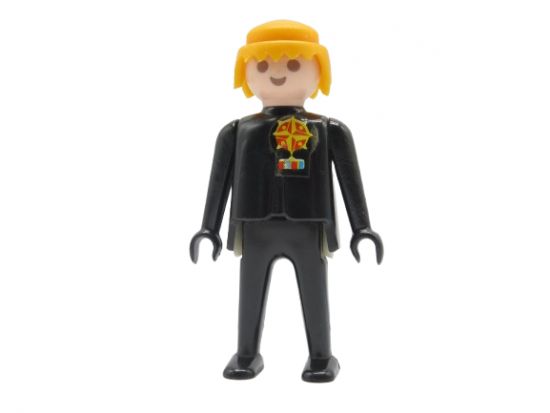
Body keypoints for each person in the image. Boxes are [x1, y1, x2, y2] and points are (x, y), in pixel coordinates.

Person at [190, 20, 383, 383]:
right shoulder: (236, 131)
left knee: (314, 289)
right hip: (255, 225)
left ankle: (321, 356)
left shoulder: (328, 129)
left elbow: (349, 178)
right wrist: (208, 228)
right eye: (263, 65)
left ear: (319, 71)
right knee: (249, 291)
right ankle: (247, 354)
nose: (277, 74)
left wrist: (362, 227)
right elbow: (218, 181)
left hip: (308, 225)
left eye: (294, 64)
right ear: (245, 72)